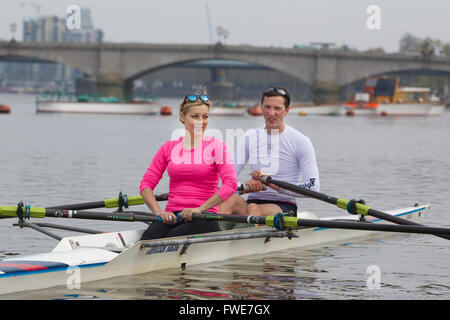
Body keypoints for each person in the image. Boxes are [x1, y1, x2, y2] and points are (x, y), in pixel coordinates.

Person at [139, 92, 238, 240]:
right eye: (194, 116)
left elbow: (231, 184)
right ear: (182, 117)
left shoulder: (217, 147)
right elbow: (146, 184)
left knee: (170, 239)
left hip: (205, 218)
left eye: (205, 117)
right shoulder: (168, 147)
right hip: (172, 216)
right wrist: (159, 213)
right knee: (147, 240)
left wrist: (199, 209)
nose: (201, 122)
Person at [219, 86, 320, 217]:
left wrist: (272, 184)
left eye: (277, 108)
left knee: (254, 209)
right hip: (251, 203)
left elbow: (313, 188)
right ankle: (209, 233)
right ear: (261, 108)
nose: (271, 113)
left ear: (286, 110)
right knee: (226, 200)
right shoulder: (250, 137)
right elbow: (225, 181)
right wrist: (245, 188)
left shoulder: (301, 141)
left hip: (283, 206)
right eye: (267, 107)